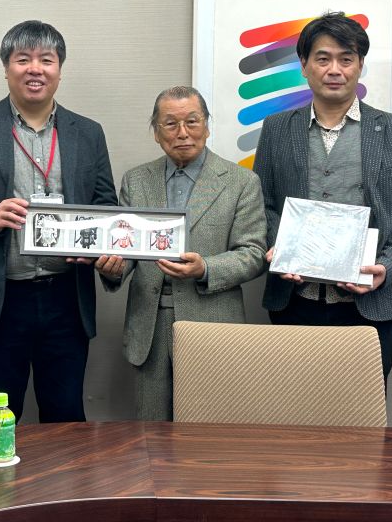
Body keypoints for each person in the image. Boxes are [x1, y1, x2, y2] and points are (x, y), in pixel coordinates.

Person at [0, 20, 116, 425]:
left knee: (66, 415)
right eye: (23, 59)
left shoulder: (87, 133)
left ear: (60, 70)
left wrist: (103, 250)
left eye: (46, 60)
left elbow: (106, 205)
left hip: (66, 297)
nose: (35, 69)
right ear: (6, 68)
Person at [255, 11, 392, 379]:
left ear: (360, 65)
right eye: (323, 58)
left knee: (364, 407)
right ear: (304, 65)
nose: (335, 70)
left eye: (346, 59)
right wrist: (280, 247)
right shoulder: (277, 128)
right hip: (293, 302)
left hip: (370, 304)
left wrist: (387, 267)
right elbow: (263, 204)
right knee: (293, 404)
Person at [98, 86, 266, 420]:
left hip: (212, 323)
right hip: (150, 326)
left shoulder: (241, 182)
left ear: (207, 125)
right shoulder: (136, 180)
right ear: (156, 132)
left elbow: (254, 253)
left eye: (192, 121)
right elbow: (126, 248)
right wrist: (113, 268)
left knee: (208, 433)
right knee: (151, 433)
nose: (183, 132)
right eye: (171, 124)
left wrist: (206, 268)